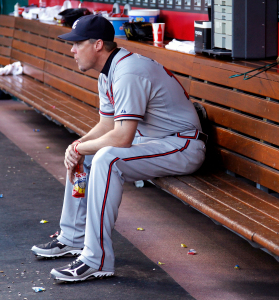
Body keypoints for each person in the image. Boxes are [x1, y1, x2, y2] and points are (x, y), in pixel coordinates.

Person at [31, 14, 207, 282]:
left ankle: (96, 259)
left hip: (182, 145)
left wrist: (82, 148)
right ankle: (73, 237)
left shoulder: (128, 71)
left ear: (98, 44)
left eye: (77, 43)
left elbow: (122, 138)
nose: (72, 50)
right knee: (87, 153)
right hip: (155, 141)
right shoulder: (108, 71)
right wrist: (77, 146)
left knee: (107, 158)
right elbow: (106, 126)